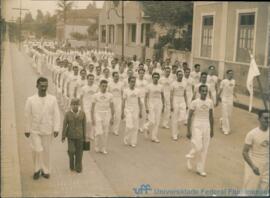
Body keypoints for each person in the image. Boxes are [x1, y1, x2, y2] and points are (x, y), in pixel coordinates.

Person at [24, 77, 60, 180]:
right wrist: (27, 129)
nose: (44, 88)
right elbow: (27, 115)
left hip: (48, 129)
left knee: (46, 151)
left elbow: (56, 114)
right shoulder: (30, 100)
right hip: (35, 129)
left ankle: (46, 170)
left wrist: (56, 128)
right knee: (38, 149)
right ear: (37, 86)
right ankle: (36, 169)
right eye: (42, 86)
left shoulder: (52, 99)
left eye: (45, 86)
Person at [185, 84, 214, 177]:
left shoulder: (210, 102)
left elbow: (211, 116)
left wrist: (212, 130)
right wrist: (188, 130)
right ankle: (190, 156)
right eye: (203, 91)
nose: (205, 92)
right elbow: (189, 117)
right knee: (198, 146)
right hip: (196, 124)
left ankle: (200, 169)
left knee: (204, 148)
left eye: (206, 91)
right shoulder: (194, 102)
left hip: (207, 125)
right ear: (199, 92)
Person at [241, 110, 269, 196]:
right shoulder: (252, 134)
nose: (268, 120)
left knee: (263, 192)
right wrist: (253, 166)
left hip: (267, 167)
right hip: (255, 164)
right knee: (250, 191)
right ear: (259, 119)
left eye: (269, 118)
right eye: (265, 118)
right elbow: (245, 152)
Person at [62, 98, 86, 173]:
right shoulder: (67, 114)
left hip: (80, 136)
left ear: (79, 105)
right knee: (71, 151)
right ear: (71, 105)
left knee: (79, 153)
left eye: (76, 105)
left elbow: (84, 125)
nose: (75, 106)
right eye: (73, 105)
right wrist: (63, 136)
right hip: (71, 136)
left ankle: (78, 167)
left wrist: (85, 136)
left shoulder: (82, 113)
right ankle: (71, 165)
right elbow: (64, 125)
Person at [91, 80, 115, 154]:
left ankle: (103, 148)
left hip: (107, 114)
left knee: (105, 132)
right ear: (100, 86)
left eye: (105, 86)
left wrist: (112, 117)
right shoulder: (95, 95)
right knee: (99, 131)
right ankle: (96, 146)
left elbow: (112, 107)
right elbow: (92, 108)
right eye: (103, 86)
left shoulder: (110, 95)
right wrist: (92, 118)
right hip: (97, 114)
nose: (104, 87)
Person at [144, 72, 165, 143]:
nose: (156, 78)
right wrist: (146, 107)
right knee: (152, 120)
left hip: (159, 103)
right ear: (152, 78)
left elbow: (162, 96)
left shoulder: (161, 86)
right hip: (151, 103)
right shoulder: (149, 86)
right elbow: (145, 97)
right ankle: (146, 126)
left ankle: (154, 137)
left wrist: (164, 105)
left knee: (157, 121)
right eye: (154, 77)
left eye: (157, 77)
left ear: (158, 78)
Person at [122, 76, 142, 147]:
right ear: (129, 82)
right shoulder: (125, 90)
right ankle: (126, 138)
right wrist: (122, 112)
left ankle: (133, 141)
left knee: (135, 127)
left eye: (134, 81)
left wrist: (140, 111)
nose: (133, 83)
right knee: (129, 126)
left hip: (136, 109)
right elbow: (123, 102)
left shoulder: (138, 91)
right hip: (128, 110)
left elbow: (139, 102)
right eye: (131, 81)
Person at [217, 70, 237, 135]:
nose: (231, 75)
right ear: (227, 74)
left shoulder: (234, 81)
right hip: (224, 99)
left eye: (232, 74)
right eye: (230, 74)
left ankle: (222, 120)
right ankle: (226, 129)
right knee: (225, 114)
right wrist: (217, 98)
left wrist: (235, 96)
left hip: (230, 99)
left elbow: (233, 90)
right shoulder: (223, 81)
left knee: (229, 114)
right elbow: (220, 90)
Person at [80, 74, 98, 140]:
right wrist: (82, 107)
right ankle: (86, 133)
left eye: (92, 79)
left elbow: (97, 97)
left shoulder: (96, 87)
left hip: (94, 106)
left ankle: (91, 134)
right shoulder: (84, 88)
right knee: (88, 121)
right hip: (86, 106)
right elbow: (81, 98)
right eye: (90, 79)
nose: (91, 80)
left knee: (94, 120)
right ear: (87, 79)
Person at [170, 70, 187, 140]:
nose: (181, 76)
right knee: (175, 117)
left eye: (181, 75)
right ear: (177, 75)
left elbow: (185, 94)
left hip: (182, 99)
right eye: (179, 75)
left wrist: (186, 103)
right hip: (175, 99)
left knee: (182, 118)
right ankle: (174, 134)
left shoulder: (184, 83)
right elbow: (171, 95)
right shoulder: (173, 84)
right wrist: (171, 105)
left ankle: (177, 131)